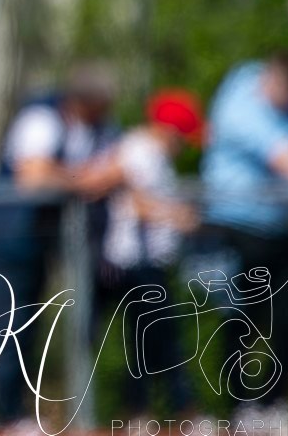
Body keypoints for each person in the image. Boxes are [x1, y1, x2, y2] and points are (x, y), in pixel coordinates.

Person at [0, 62, 118, 431]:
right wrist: (82, 179)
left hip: (40, 243)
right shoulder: (41, 118)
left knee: (31, 329)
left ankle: (20, 411)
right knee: (8, 327)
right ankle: (6, 415)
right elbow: (33, 176)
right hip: (10, 240)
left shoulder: (90, 128)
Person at [76, 89, 203, 422]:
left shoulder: (149, 152)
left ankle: (142, 409)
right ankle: (176, 408)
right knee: (160, 339)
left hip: (148, 260)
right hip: (133, 260)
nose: (183, 146)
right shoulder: (140, 150)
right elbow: (135, 202)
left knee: (149, 341)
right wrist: (177, 216)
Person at [195, 51, 288, 425]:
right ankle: (238, 407)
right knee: (241, 317)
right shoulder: (240, 100)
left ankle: (269, 403)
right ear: (272, 78)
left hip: (278, 229)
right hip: (236, 226)